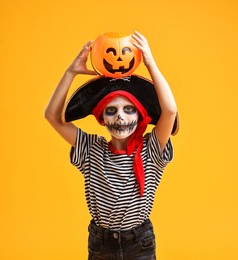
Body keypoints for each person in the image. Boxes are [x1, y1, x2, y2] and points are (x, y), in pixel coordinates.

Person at [44, 31, 178, 260]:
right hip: (101, 243)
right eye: (111, 111)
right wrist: (70, 72)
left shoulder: (151, 149)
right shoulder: (92, 149)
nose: (120, 118)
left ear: (140, 114)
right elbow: (52, 116)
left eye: (128, 109)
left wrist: (151, 63)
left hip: (139, 243)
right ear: (102, 118)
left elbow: (170, 111)